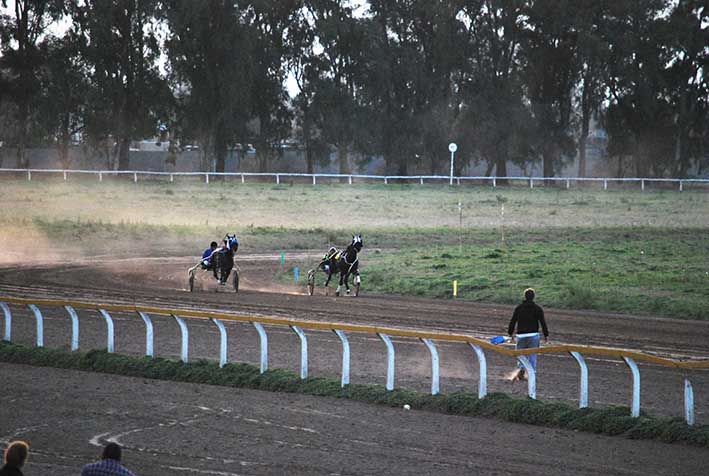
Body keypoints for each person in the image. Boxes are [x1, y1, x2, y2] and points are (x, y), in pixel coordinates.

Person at [507, 288, 549, 381]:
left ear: (525, 297)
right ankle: (532, 373)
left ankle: (521, 368)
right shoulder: (538, 309)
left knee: (520, 354)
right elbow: (543, 322)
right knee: (532, 355)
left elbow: (513, 321)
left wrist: (510, 333)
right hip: (533, 335)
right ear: (533, 297)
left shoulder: (519, 308)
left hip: (521, 335)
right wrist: (546, 335)